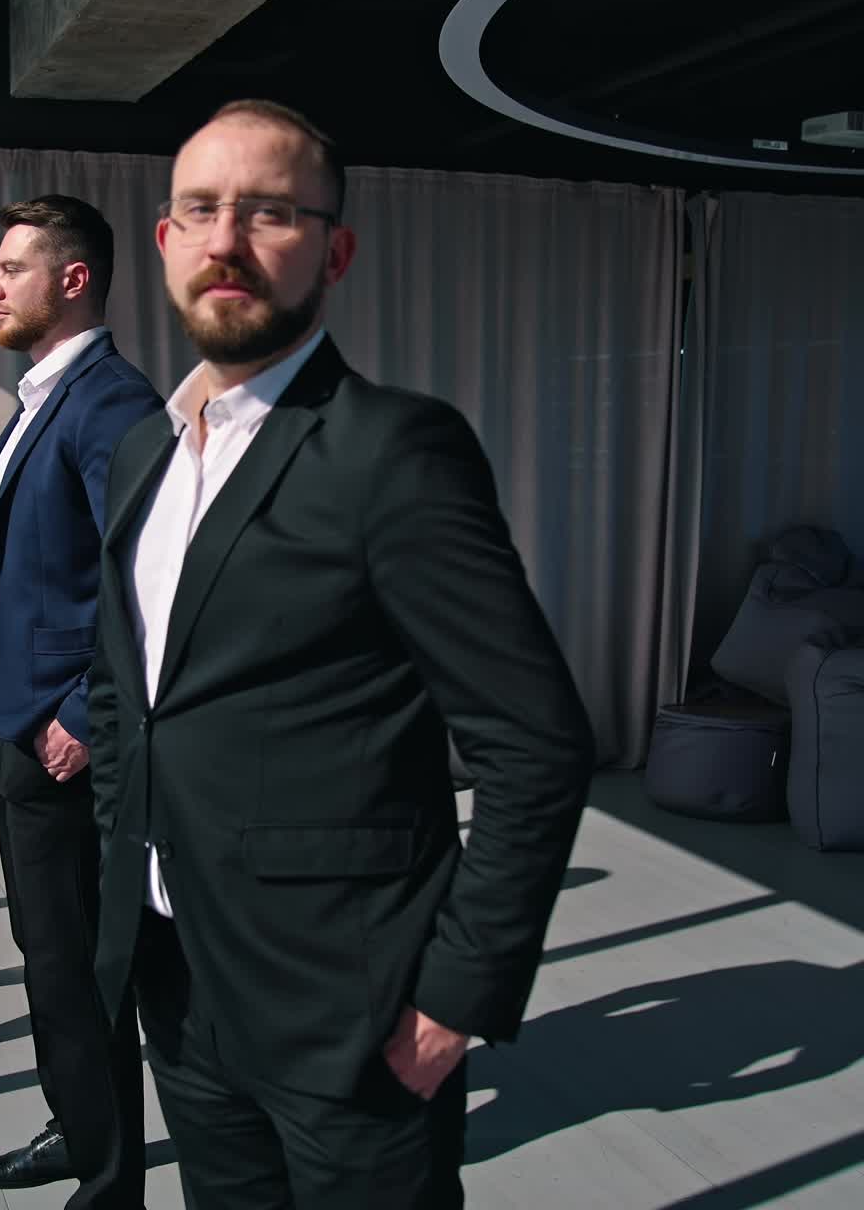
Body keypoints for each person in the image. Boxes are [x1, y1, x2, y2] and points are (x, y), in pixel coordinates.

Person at [88, 100, 596, 1208]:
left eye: (268, 212)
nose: (226, 239)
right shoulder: (142, 450)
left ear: (335, 248)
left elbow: (534, 742)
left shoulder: (390, 449)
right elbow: (128, 693)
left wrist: (454, 996)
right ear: (165, 242)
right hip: (175, 983)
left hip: (349, 1011)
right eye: (200, 210)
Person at [0, 195, 162, 1203]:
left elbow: (159, 573)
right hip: (11, 727)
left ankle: (108, 1181)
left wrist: (83, 709)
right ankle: (78, 1124)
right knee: (51, 963)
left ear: (71, 278)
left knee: (79, 971)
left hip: (61, 736)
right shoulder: (47, 394)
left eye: (9, 267)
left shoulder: (109, 400)